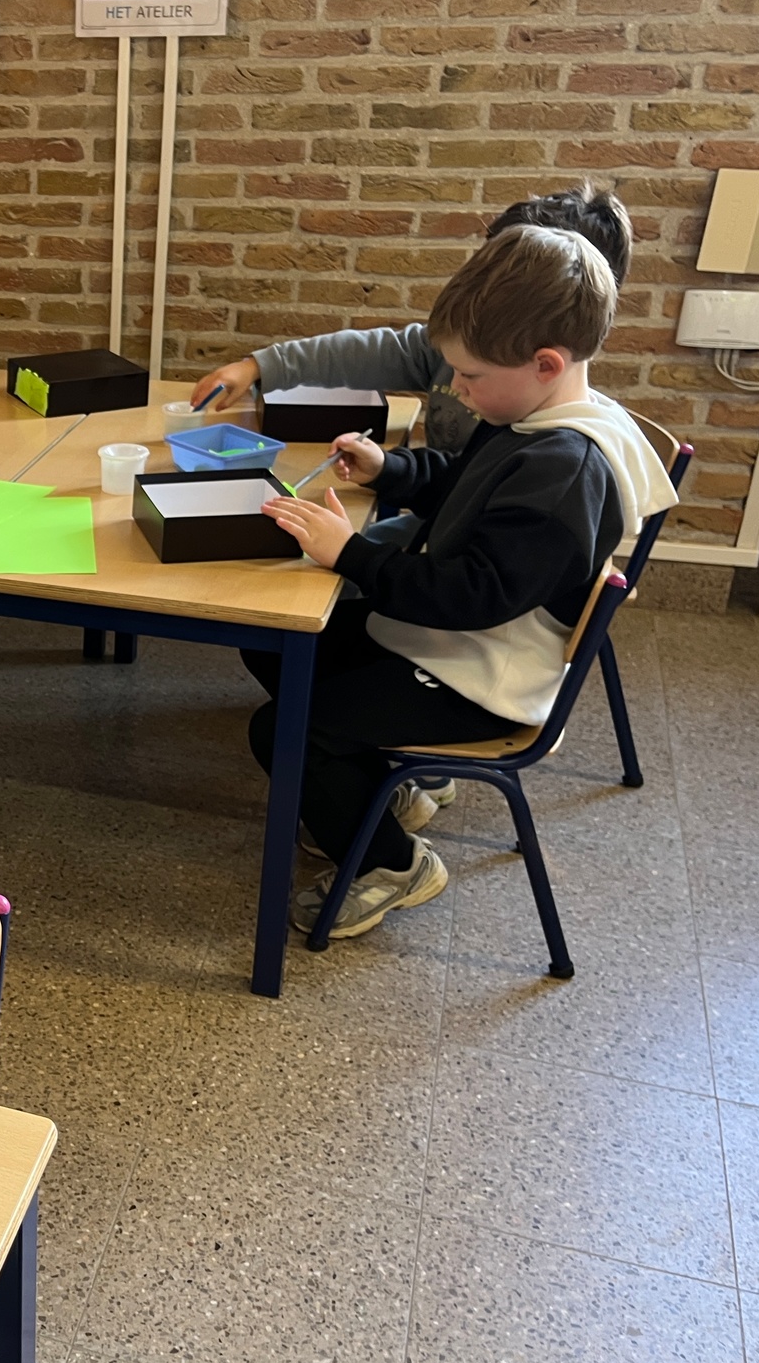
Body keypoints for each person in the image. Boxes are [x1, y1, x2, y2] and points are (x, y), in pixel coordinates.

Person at [240, 225, 677, 941]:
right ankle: (373, 794)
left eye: (470, 377)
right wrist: (392, 470)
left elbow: (469, 597)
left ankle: (394, 865)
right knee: (273, 642)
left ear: (545, 363)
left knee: (288, 728)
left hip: (484, 677)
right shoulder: (532, 417)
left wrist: (352, 555)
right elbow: (465, 485)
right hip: (461, 637)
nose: (460, 392)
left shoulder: (563, 468)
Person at [192, 186, 634, 454]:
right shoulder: (467, 350)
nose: (459, 383)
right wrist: (259, 366)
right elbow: (369, 352)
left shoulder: (551, 447)